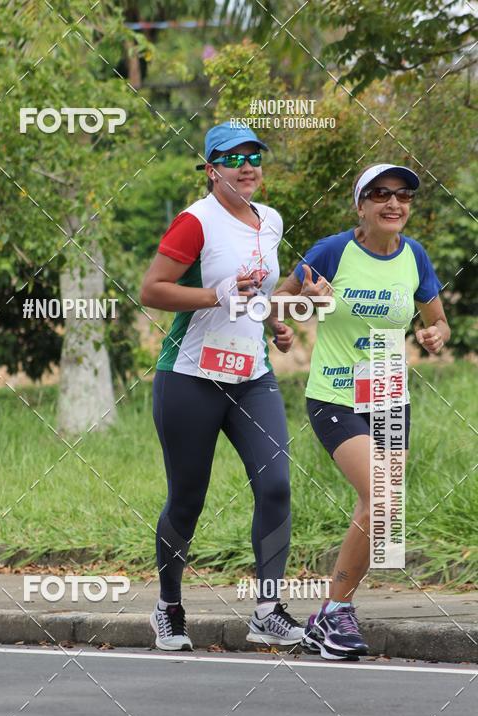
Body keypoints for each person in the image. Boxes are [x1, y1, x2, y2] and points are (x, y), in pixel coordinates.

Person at [141, 121, 317, 651]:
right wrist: (214, 294)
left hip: (251, 377)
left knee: (276, 485)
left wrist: (274, 323)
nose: (247, 167)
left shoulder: (271, 222)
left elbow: (255, 294)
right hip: (190, 375)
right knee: (187, 500)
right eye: (234, 158)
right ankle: (168, 606)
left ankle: (268, 609)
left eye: (254, 157)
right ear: (211, 168)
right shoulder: (196, 221)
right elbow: (153, 290)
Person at [271, 163, 450, 660]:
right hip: (336, 394)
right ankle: (334, 614)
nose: (394, 204)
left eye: (403, 196)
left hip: (391, 394)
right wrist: (306, 300)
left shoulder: (415, 256)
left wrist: (435, 335)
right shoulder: (333, 251)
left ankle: (331, 613)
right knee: (383, 495)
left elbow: (437, 322)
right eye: (380, 195)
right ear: (360, 205)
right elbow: (276, 304)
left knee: (383, 511)